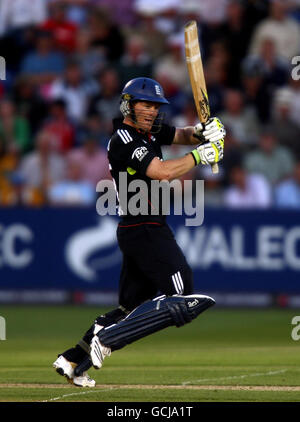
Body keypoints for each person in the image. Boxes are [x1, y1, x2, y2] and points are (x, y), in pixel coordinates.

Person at [52, 77, 226, 387]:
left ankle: (71, 360)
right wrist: (203, 155)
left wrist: (202, 133)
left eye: (156, 106)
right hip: (145, 227)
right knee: (182, 295)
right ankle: (106, 342)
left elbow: (181, 135)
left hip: (140, 228)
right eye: (145, 105)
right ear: (128, 104)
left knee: (129, 309)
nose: (152, 111)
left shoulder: (149, 131)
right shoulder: (125, 138)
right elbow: (161, 172)